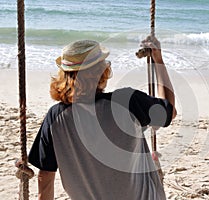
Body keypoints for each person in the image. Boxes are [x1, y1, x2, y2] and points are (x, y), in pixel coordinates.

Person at [19, 36, 176, 200]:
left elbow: (46, 177)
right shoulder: (127, 102)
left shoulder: (55, 118)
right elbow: (170, 112)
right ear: (102, 72)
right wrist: (158, 60)